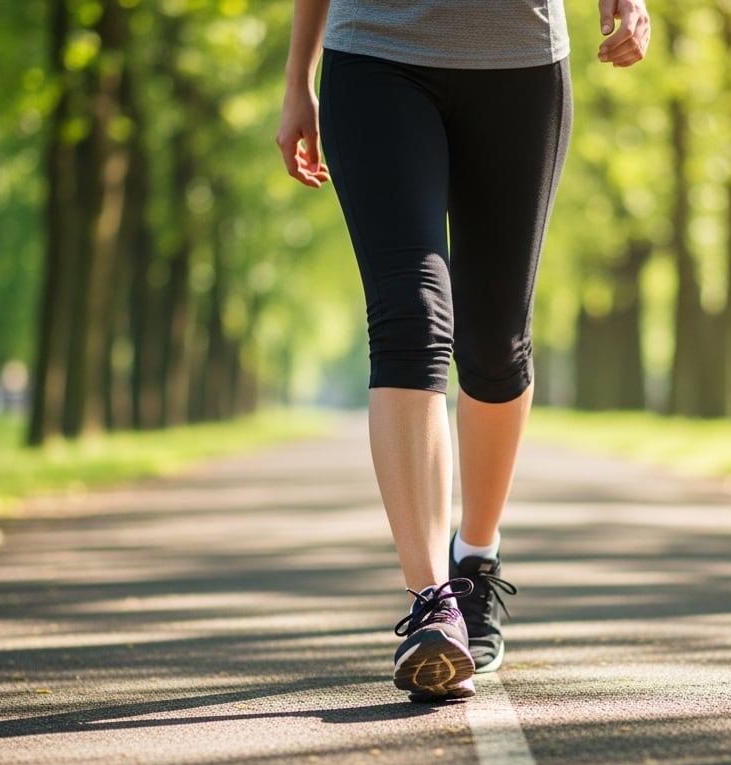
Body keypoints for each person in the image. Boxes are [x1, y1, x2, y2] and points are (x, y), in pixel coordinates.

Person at [276, 0, 650, 702]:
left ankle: (474, 558)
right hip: (374, 57)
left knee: (496, 342)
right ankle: (432, 605)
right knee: (411, 317)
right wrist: (298, 76)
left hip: (520, 63)